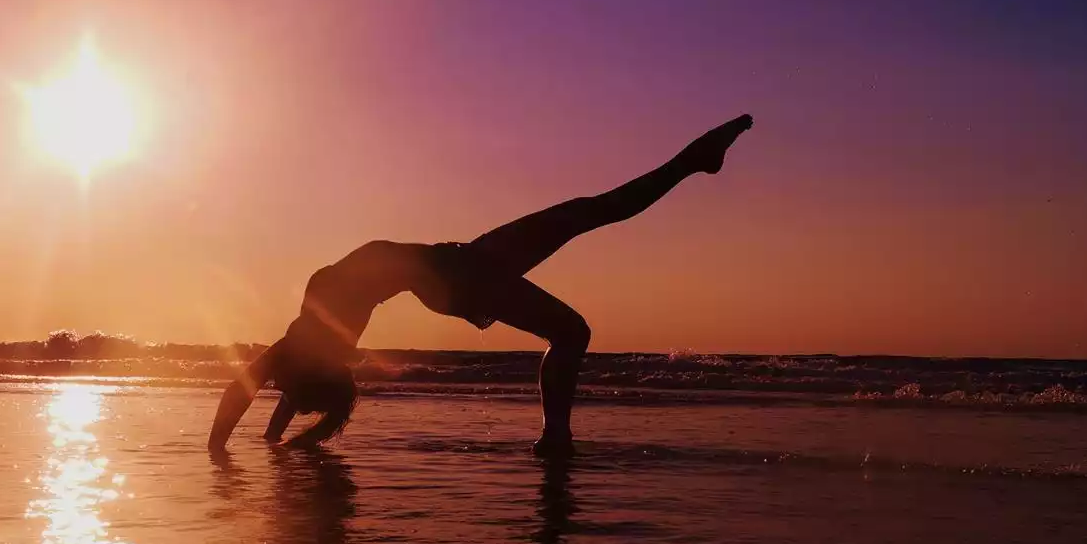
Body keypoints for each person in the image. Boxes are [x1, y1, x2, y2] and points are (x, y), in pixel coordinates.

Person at [208, 113, 754, 456]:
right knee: (582, 269)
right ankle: (555, 438)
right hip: (456, 278)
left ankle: (696, 160)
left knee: (587, 233)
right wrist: (234, 450)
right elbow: (261, 390)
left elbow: (259, 391)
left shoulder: (300, 352)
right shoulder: (306, 349)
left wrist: (256, 445)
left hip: (459, 266)